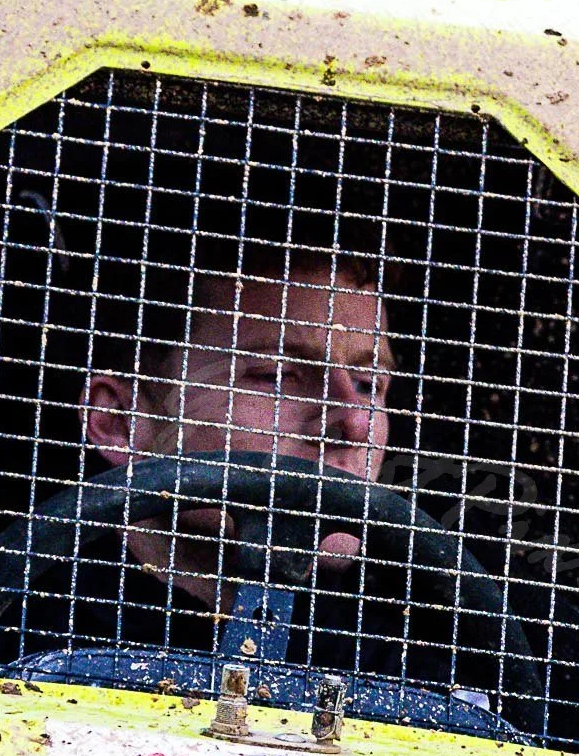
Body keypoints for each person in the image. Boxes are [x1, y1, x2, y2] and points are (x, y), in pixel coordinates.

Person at [78, 246, 397, 623]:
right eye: (276, 375)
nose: (357, 422)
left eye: (367, 384)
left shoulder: (422, 644)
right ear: (119, 420)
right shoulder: (24, 629)